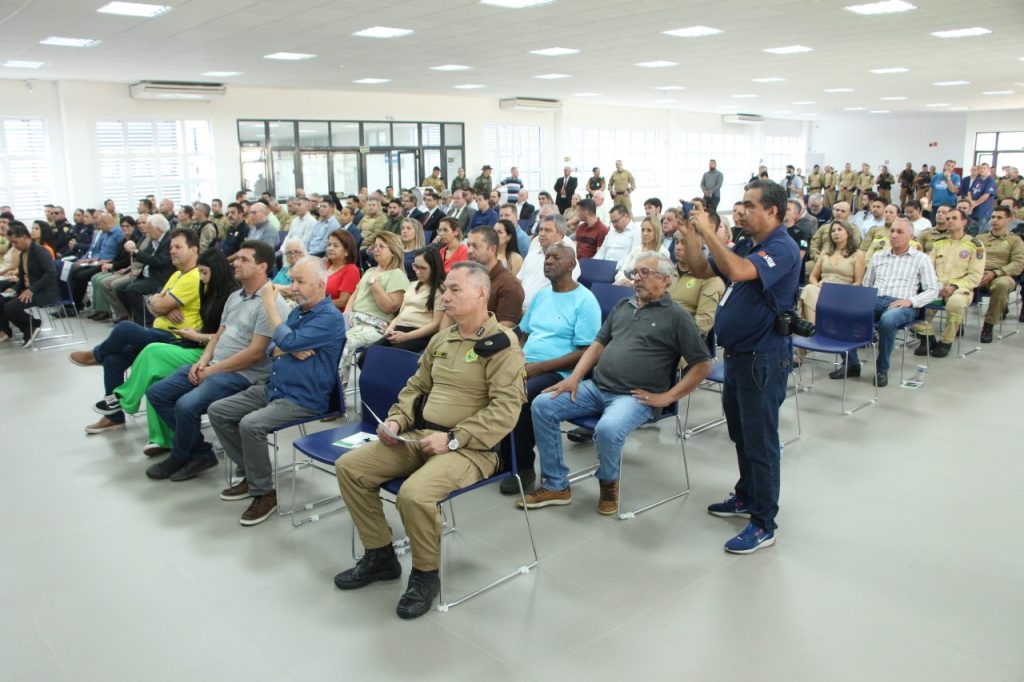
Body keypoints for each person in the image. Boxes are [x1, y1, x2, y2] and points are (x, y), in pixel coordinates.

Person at [333, 261, 526, 619]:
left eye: (455, 290)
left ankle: (425, 575)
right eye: (445, 289)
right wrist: (396, 419)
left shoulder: (502, 345)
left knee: (414, 494)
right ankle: (380, 556)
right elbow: (416, 387)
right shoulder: (443, 336)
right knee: (351, 468)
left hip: (472, 449)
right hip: (421, 435)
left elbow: (506, 410)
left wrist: (453, 439)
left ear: (482, 293)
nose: (445, 295)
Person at [520, 251, 711, 515]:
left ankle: (608, 482)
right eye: (635, 272)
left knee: (608, 429)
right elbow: (597, 345)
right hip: (597, 387)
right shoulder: (624, 306)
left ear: (666, 280)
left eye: (645, 273)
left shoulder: (677, 317)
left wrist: (668, 398)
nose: (637, 278)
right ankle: (556, 485)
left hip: (634, 397)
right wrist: (574, 378)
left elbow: (702, 365)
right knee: (542, 404)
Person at [678, 179, 800, 554]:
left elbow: (738, 271)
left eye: (748, 205)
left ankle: (764, 523)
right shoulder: (750, 243)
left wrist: (710, 231)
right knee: (742, 435)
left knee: (761, 443)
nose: (740, 210)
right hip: (738, 357)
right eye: (740, 204)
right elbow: (702, 270)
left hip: (764, 359)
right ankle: (747, 495)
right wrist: (692, 237)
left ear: (772, 211)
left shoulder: (782, 247)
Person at [210, 256, 346, 526]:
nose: (292, 287)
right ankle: (252, 473)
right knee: (219, 411)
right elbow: (274, 345)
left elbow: (284, 337)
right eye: (292, 280)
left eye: (300, 281)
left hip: (304, 398)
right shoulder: (299, 312)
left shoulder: (330, 318)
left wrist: (271, 305)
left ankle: (264, 493)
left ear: (320, 285)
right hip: (277, 388)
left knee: (251, 424)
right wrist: (287, 345)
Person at [143, 241, 289, 482]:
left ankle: (181, 456)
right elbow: (219, 335)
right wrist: (202, 362)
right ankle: (199, 452)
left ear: (262, 266)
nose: (236, 263)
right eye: (237, 258)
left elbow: (255, 353)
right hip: (215, 365)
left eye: (244, 260)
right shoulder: (235, 296)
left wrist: (212, 371)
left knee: (186, 405)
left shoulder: (271, 303)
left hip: (243, 374)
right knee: (158, 393)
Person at [71, 229, 203, 434]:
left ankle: (97, 354)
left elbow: (158, 305)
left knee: (124, 329)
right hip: (160, 329)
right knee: (114, 360)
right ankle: (114, 417)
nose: (173, 252)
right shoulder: (177, 274)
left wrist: (161, 305)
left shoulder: (193, 277)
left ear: (194, 249)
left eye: (178, 247)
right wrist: (162, 305)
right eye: (171, 248)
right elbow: (153, 301)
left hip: (176, 338)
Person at [111, 249, 237, 457]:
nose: (202, 278)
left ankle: (125, 398)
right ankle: (162, 438)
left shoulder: (230, 296)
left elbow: (228, 337)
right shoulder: (206, 288)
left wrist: (198, 337)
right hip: (195, 343)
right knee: (154, 377)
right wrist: (175, 316)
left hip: (210, 353)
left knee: (148, 349)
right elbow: (158, 299)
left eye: (205, 273)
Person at [503, 243, 600, 494]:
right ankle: (501, 458)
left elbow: (585, 353)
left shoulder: (585, 301)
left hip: (560, 372)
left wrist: (537, 368)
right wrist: (516, 356)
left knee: (521, 394)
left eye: (556, 257)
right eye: (547, 257)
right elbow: (523, 333)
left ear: (572, 264)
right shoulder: (542, 295)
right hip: (527, 364)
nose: (548, 261)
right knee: (488, 383)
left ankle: (523, 468)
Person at [830, 218, 939, 386]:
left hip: (903, 303)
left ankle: (882, 369)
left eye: (900, 232)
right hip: (875, 299)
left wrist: (910, 301)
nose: (894, 235)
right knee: (841, 313)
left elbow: (933, 289)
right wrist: (860, 303)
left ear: (911, 236)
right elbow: (867, 284)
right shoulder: (878, 256)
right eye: (892, 231)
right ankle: (851, 364)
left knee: (888, 320)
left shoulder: (920, 258)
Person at [338, 231, 409, 380]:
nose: (376, 249)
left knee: (344, 342)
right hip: (352, 320)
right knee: (326, 338)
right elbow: (355, 295)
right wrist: (345, 316)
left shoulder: (397, 274)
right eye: (375, 246)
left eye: (381, 246)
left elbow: (390, 307)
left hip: (374, 325)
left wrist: (375, 284)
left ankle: (337, 395)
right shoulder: (370, 270)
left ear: (393, 251)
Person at [916, 208, 984, 358]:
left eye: (954, 218)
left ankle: (946, 341)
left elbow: (975, 276)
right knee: (912, 306)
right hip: (937, 287)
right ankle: (928, 338)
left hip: (961, 289)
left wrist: (954, 286)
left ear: (964, 222)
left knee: (955, 304)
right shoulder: (939, 243)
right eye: (948, 219)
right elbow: (928, 268)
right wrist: (933, 286)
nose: (949, 221)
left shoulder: (975, 245)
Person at [369, 246, 445, 356]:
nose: (417, 272)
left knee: (387, 358)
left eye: (422, 268)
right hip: (398, 329)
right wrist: (390, 329)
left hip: (418, 334)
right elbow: (401, 314)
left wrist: (406, 336)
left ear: (433, 267)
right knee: (367, 357)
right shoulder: (412, 285)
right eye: (415, 266)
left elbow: (435, 324)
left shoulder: (439, 290)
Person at [798, 219, 864, 341]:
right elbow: (813, 276)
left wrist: (838, 290)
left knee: (808, 292)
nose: (835, 233)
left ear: (848, 233)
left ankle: (811, 335)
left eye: (839, 230)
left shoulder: (857, 254)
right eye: (833, 231)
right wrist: (817, 285)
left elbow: (858, 282)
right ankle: (813, 331)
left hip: (843, 292)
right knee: (809, 288)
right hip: (822, 290)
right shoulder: (825, 253)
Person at [0, 222, 57, 347]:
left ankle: (32, 325)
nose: (14, 246)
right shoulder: (23, 254)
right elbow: (22, 277)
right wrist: (14, 289)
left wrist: (32, 289)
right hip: (29, 288)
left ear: (25, 237)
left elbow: (51, 274)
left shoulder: (39, 251)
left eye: (15, 242)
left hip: (42, 291)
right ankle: (11, 331)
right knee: (2, 300)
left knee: (10, 307)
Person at [977, 206, 1024, 342]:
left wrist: (995, 273)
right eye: (993, 217)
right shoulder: (980, 238)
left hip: (1002, 275)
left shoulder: (1015, 241)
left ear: (1008, 220)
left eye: (999, 218)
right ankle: (956, 323)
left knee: (1002, 285)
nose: (995, 220)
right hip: (978, 274)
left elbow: (1018, 264)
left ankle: (989, 325)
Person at [118, 214, 173, 325]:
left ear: (158, 229)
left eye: (150, 228)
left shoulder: (169, 241)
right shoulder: (154, 239)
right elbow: (144, 255)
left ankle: (147, 321)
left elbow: (158, 262)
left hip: (159, 277)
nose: (147, 231)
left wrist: (137, 252)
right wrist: (133, 248)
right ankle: (137, 317)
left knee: (132, 289)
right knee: (120, 289)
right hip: (147, 275)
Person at [519, 214, 581, 310]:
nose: (542, 233)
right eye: (541, 229)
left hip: (543, 312)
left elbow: (562, 295)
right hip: (516, 309)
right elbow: (519, 281)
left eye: (547, 230)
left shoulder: (568, 261)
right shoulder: (532, 255)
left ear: (560, 234)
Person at [466, 226, 524, 328]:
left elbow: (504, 327)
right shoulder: (468, 276)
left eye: (475, 246)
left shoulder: (509, 285)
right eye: (468, 245)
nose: (469, 251)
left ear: (492, 249)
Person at [669, 235, 725, 340]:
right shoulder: (667, 273)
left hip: (683, 341)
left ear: (699, 245)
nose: (678, 247)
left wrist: (672, 336)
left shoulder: (710, 279)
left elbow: (704, 320)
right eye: (676, 242)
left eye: (684, 243)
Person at [614, 217, 669, 285]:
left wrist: (633, 283)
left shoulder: (663, 252)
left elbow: (659, 279)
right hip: (626, 284)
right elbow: (622, 270)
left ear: (656, 232)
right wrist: (622, 279)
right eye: (643, 230)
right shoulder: (636, 250)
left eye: (649, 230)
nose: (644, 233)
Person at [324, 229, 360, 310]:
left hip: (334, 313)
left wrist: (318, 305)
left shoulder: (351, 270)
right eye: (329, 245)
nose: (330, 248)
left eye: (335, 246)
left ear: (347, 251)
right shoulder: (327, 266)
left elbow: (343, 301)